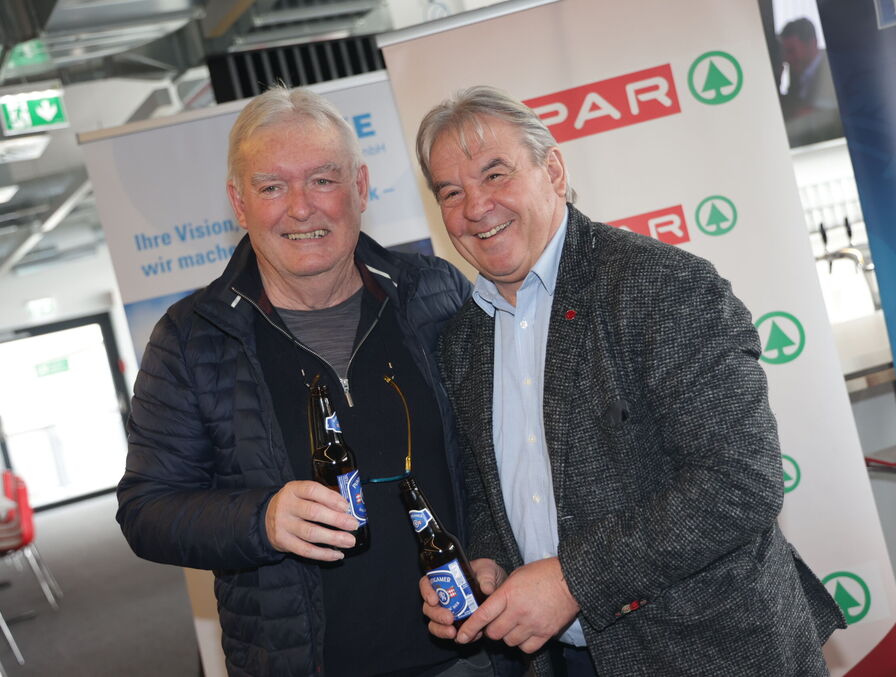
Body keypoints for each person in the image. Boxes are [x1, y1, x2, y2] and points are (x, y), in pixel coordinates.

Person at [413, 86, 846, 676]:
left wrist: (572, 580)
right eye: (451, 192)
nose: (476, 207)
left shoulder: (661, 285)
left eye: (495, 174)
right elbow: (495, 489)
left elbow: (741, 481)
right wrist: (487, 564)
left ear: (553, 171)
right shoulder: (464, 339)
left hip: (712, 653)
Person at [117, 85, 492, 677]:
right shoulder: (191, 338)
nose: (300, 208)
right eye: (272, 187)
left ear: (361, 187)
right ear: (239, 203)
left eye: (322, 179)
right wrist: (261, 519)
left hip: (471, 656)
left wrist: (497, 557)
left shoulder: (434, 292)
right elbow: (146, 510)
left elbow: (497, 455)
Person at [779, 17, 843, 146]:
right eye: (785, 52)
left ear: (812, 44)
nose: (786, 58)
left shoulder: (834, 67)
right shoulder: (795, 72)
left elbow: (825, 114)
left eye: (791, 51)